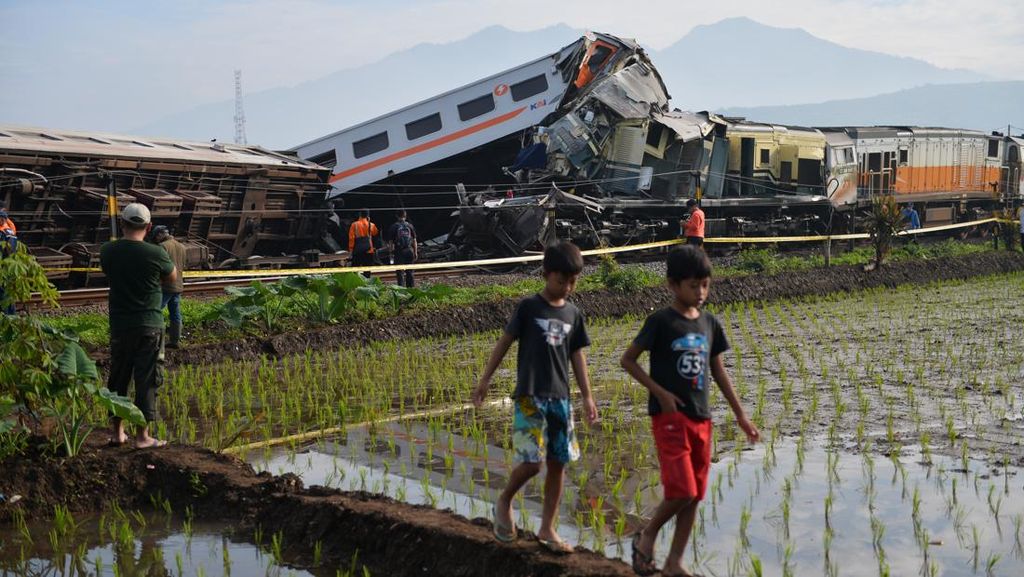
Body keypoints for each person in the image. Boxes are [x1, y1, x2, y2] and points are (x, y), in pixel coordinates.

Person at [619, 246, 759, 576]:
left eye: (705, 285)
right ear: (672, 285)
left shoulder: (710, 323)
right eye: (693, 285)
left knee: (695, 496)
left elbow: (718, 371)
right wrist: (661, 392)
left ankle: (674, 563)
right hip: (669, 417)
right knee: (683, 489)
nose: (700, 292)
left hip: (702, 417)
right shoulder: (661, 322)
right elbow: (628, 361)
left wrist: (740, 414)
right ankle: (647, 535)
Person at [471, 241, 599, 554]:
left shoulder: (573, 313)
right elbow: (504, 342)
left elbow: (577, 356)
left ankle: (547, 528)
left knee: (558, 464)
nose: (567, 287)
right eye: (561, 280)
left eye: (572, 281)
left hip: (561, 399)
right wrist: (485, 379)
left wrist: (587, 396)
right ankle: (504, 501)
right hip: (530, 396)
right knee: (531, 464)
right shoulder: (529, 308)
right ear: (545, 274)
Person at [100, 203, 176, 449]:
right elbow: (171, 277)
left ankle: (117, 433)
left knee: (118, 378)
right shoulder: (156, 253)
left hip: (120, 326)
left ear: (122, 224)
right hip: (150, 326)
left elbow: (109, 272)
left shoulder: (108, 251)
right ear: (149, 226)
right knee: (147, 380)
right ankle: (143, 437)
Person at [152, 225, 187, 349]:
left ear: (160, 234)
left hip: (166, 286)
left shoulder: (163, 247)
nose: (156, 239)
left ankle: (155, 341)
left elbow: (159, 267)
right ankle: (175, 341)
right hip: (178, 286)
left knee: (155, 312)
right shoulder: (182, 247)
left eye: (156, 237)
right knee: (175, 313)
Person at [386, 209, 418, 287]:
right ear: (405, 216)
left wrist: (391, 253)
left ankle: (401, 289)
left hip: (399, 251)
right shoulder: (410, 226)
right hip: (409, 250)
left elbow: (390, 243)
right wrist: (415, 252)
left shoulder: (394, 227)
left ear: (396, 216)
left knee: (399, 272)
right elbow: (414, 240)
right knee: (409, 271)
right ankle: (411, 289)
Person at [347, 209, 379, 275]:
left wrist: (351, 250)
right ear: (368, 215)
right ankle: (366, 284)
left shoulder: (354, 225)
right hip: (369, 250)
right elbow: (375, 233)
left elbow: (351, 239)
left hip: (357, 250)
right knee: (367, 271)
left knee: (355, 270)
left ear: (360, 214)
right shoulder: (371, 225)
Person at [0, 204, 17, 315]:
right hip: (9, 266)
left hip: (4, 267)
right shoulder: (10, 231)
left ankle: (6, 316)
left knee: (3, 293)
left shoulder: (4, 233)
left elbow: (7, 250)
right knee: (7, 293)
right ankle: (10, 315)